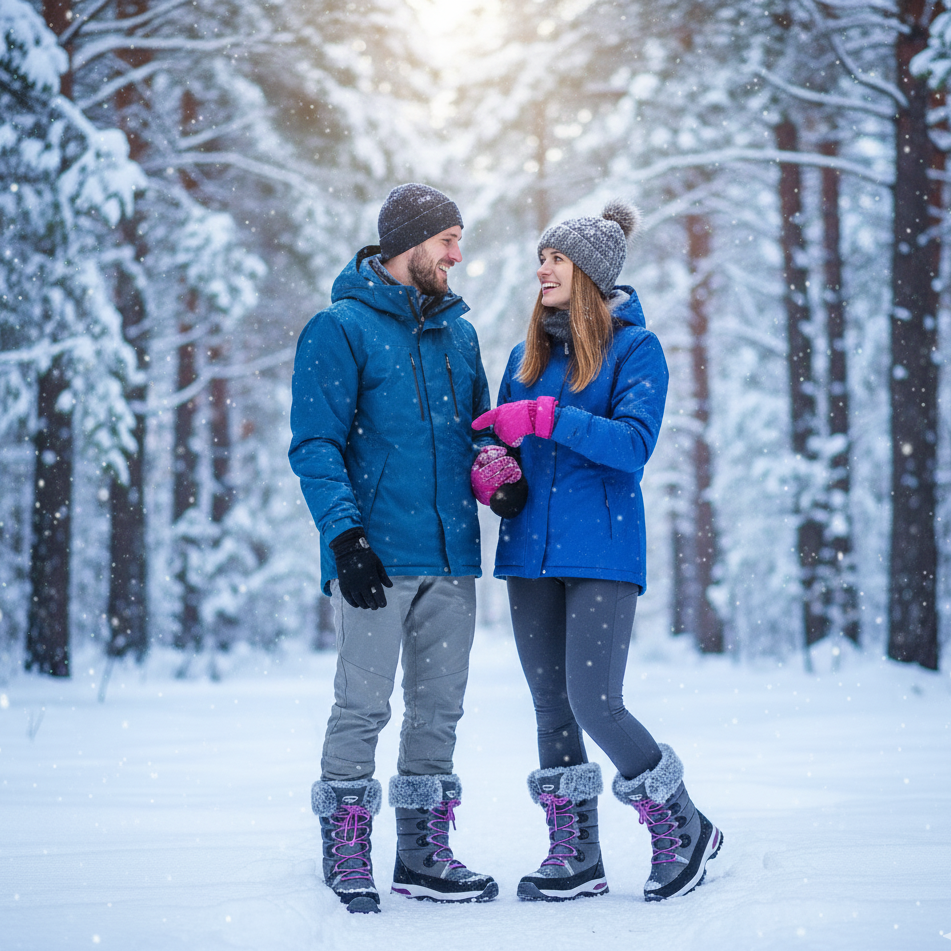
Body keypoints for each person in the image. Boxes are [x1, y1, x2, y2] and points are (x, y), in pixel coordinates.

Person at [471, 200, 723, 903]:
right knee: (551, 705)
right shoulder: (528, 356)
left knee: (594, 701)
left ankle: (682, 825)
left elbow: (632, 446)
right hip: (529, 554)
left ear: (586, 272)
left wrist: (550, 418)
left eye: (553, 258)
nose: (541, 269)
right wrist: (491, 467)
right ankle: (574, 852)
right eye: (541, 258)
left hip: (601, 553)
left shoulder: (634, 350)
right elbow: (492, 434)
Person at [289, 184, 498, 913]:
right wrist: (345, 537)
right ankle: (346, 839)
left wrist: (496, 473)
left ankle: (422, 851)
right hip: (374, 558)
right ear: (408, 244)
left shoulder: (459, 335)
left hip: (451, 557)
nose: (456, 254)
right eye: (446, 241)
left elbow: (480, 430)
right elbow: (315, 445)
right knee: (362, 706)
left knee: (439, 710)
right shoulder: (339, 328)